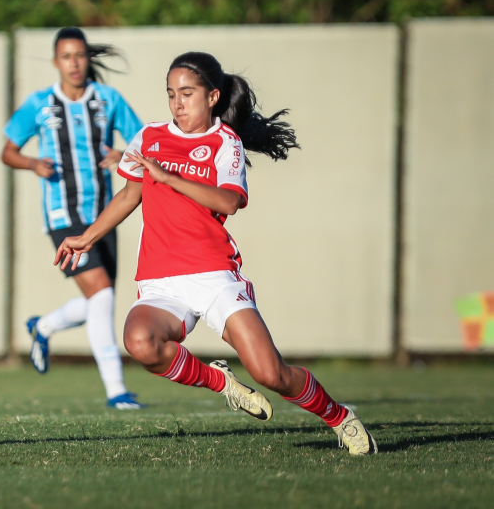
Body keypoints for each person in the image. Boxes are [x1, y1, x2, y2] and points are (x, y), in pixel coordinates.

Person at [55, 51, 378, 455]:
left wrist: (168, 176)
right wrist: (87, 237)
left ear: (212, 96)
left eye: (187, 93)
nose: (177, 103)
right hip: (160, 280)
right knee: (140, 343)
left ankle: (338, 416)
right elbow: (129, 194)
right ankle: (221, 381)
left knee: (271, 374)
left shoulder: (226, 143)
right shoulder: (149, 136)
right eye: (171, 93)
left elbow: (228, 201)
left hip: (213, 276)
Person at [2, 27, 144, 410]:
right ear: (56, 62)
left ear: (87, 58)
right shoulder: (39, 103)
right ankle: (116, 390)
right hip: (62, 215)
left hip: (104, 213)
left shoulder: (109, 99)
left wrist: (123, 155)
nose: (74, 63)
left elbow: (144, 141)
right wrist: (32, 163)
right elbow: (8, 152)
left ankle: (43, 326)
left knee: (100, 299)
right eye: (66, 56)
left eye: (80, 55)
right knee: (102, 293)